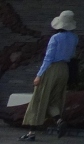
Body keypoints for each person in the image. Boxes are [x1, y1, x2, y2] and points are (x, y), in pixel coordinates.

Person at [21, 10, 78, 141]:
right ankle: (59, 121)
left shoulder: (55, 38)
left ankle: (31, 133)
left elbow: (48, 58)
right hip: (64, 69)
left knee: (39, 99)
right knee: (54, 100)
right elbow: (72, 55)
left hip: (52, 69)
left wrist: (39, 75)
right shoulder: (74, 38)